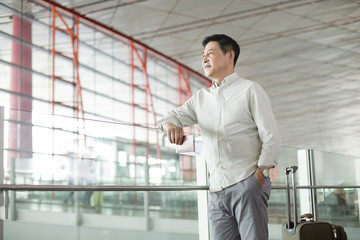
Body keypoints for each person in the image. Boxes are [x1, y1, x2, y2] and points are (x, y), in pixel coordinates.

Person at [157, 34, 281, 240]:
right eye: (203, 55)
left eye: (210, 53)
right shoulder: (200, 98)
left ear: (230, 55)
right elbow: (169, 117)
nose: (204, 59)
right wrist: (170, 125)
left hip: (247, 181)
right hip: (216, 190)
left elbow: (271, 135)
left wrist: (261, 174)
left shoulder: (250, 90)